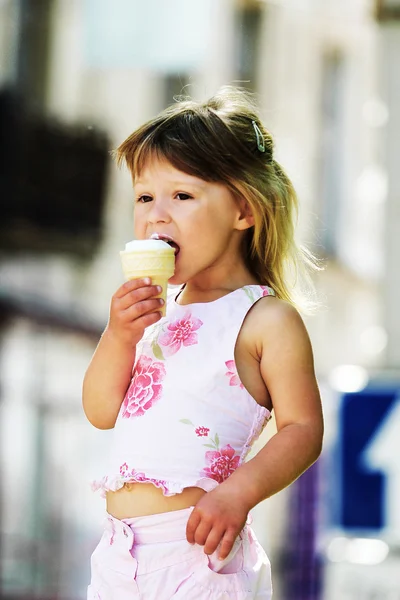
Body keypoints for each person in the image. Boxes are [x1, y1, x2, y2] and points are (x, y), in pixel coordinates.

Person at [83, 86, 323, 599]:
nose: (156, 214)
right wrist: (119, 335)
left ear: (245, 210)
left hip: (199, 555)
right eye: (145, 197)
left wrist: (240, 494)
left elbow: (303, 428)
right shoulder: (154, 316)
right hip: (118, 557)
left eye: (182, 196)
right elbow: (102, 410)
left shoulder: (264, 319)